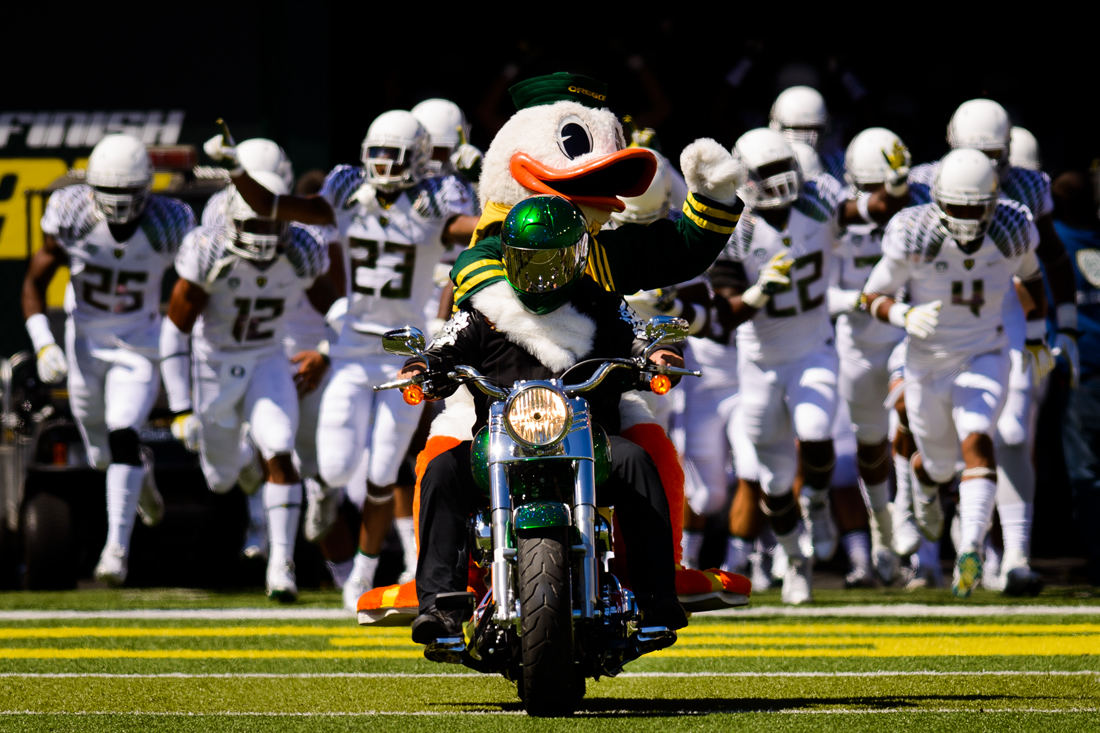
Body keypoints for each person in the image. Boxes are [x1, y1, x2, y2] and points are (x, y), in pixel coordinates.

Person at [206, 110, 481, 610]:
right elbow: (272, 205)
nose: (380, 165)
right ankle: (325, 497)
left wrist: (493, 185)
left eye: (392, 155)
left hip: (404, 352)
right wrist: (236, 172)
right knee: (332, 468)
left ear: (416, 159)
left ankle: (362, 573)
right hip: (352, 348)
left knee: (382, 471)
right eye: (375, 153)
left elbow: (481, 228)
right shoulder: (346, 193)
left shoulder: (435, 201)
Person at [398, 196, 688, 642]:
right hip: (498, 445)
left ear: (577, 255)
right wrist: (423, 368)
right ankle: (441, 605)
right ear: (507, 256)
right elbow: (445, 345)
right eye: (528, 261)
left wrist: (657, 355)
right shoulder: (484, 309)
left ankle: (655, 599)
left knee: (636, 461)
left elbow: (639, 337)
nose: (542, 273)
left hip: (587, 445)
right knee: (441, 470)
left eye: (553, 261)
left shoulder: (603, 303)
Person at [710, 127, 908, 604]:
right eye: (769, 172)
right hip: (759, 361)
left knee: (817, 430)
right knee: (774, 480)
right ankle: (794, 557)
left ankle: (816, 505)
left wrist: (896, 185)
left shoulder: (819, 206)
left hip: (813, 348)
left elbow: (875, 210)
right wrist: (759, 293)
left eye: (785, 168)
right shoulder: (737, 229)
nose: (780, 180)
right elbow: (723, 312)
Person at [863, 149, 1051, 597]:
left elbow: (1033, 277)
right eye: (958, 207)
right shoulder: (915, 230)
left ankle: (970, 546)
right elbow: (871, 295)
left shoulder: (1012, 226)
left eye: (976, 207)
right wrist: (903, 315)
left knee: (979, 437)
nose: (967, 217)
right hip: (926, 363)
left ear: (992, 200)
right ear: (939, 200)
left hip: (985, 353)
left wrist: (1038, 334)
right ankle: (924, 487)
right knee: (938, 466)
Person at [909, 99, 1078, 591]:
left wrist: (1060, 324)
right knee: (949, 441)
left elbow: (1050, 258)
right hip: (943, 318)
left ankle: (1015, 556)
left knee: (1011, 433)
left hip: (1007, 312)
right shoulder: (923, 183)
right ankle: (967, 538)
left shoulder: (1026, 184)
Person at [22, 133, 195, 585]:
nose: (118, 203)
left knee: (122, 433)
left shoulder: (169, 223)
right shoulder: (72, 213)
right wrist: (44, 341)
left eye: (128, 193)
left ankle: (115, 552)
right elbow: (34, 283)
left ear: (146, 188)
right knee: (100, 456)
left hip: (139, 344)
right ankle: (144, 475)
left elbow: (191, 289)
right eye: (110, 192)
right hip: (86, 344)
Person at [161, 172, 331, 601]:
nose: (262, 233)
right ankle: (246, 462)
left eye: (269, 222)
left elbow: (341, 305)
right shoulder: (209, 250)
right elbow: (173, 331)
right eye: (252, 223)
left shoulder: (301, 251)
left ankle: (281, 567)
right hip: (214, 364)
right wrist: (181, 406)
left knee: (279, 446)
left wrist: (326, 350)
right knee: (220, 478)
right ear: (232, 220)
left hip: (265, 359)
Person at [827, 127, 913, 583]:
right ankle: (882, 531)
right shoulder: (835, 217)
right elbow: (816, 291)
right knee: (869, 445)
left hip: (906, 337)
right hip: (858, 343)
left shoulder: (917, 215)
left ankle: (922, 543)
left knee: (912, 423)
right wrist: (857, 300)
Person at [1051, 171, 1100, 586]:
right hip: (1086, 364)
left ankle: (1097, 554)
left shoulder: (1055, 241)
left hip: (1081, 365)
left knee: (1084, 468)